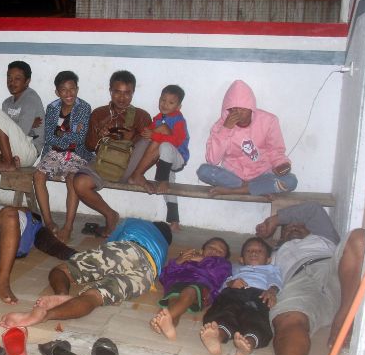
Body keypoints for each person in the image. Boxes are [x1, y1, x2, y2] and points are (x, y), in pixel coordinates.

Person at [249, 202, 365, 355]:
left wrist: (274, 220)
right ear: (281, 237)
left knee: (359, 237)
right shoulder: (273, 255)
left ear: (311, 228)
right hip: (298, 284)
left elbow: (313, 210)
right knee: (288, 318)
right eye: (288, 228)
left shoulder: (325, 237)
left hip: (335, 272)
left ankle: (346, 313)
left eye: (299, 225)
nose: (293, 227)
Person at [0, 218, 171, 328]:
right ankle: (46, 316)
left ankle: (62, 295)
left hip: (128, 249)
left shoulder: (136, 222)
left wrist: (97, 263)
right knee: (95, 297)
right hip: (148, 272)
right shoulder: (164, 248)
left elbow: (109, 243)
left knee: (62, 270)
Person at [73, 70, 152, 238]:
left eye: (127, 93)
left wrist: (130, 138)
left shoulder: (141, 116)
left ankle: (135, 176)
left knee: (150, 139)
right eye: (117, 92)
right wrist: (99, 134)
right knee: (79, 183)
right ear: (110, 91)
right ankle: (110, 215)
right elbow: (89, 146)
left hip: (127, 168)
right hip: (103, 164)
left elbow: (146, 148)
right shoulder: (99, 113)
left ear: (133, 93)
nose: (122, 98)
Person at [197, 80, 297, 198]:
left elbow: (275, 151)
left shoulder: (269, 121)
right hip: (233, 178)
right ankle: (258, 188)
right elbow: (212, 160)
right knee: (203, 171)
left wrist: (281, 164)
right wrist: (225, 130)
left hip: (262, 174)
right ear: (228, 110)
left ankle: (236, 191)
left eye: (243, 110)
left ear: (251, 108)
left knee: (291, 181)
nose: (239, 114)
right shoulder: (221, 125)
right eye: (234, 110)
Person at [200, 237, 283, 355]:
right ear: (241, 259)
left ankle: (248, 344)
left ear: (268, 260)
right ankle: (217, 336)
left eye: (259, 251)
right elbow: (225, 280)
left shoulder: (271, 269)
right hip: (234, 291)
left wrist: (272, 291)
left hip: (260, 294)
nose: (253, 253)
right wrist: (231, 283)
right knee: (226, 309)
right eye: (249, 251)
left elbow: (276, 281)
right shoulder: (235, 268)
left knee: (256, 317)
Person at [34, 70, 92, 243]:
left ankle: (68, 227)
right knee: (38, 176)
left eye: (72, 89)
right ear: (57, 92)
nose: (69, 93)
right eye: (64, 90)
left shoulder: (84, 108)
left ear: (77, 89)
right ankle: (49, 222)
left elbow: (80, 140)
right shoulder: (52, 108)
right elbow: (49, 137)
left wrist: (60, 134)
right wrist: (70, 134)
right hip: (54, 152)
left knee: (72, 179)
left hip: (77, 154)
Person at [127, 84, 190, 231]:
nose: (165, 104)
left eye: (171, 102)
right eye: (163, 100)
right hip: (164, 162)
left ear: (178, 106)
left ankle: (159, 179)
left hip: (178, 157)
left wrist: (155, 134)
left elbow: (177, 141)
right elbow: (149, 134)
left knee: (165, 143)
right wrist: (145, 132)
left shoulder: (179, 120)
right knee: (170, 185)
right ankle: (174, 221)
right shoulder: (158, 118)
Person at [150, 237, 232, 341]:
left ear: (225, 258)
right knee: (173, 304)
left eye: (220, 251)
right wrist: (178, 262)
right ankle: (168, 326)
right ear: (202, 250)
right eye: (211, 247)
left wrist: (204, 260)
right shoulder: (187, 259)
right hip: (178, 283)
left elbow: (218, 274)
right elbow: (164, 276)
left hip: (202, 287)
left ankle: (161, 320)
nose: (214, 250)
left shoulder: (224, 264)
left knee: (190, 291)